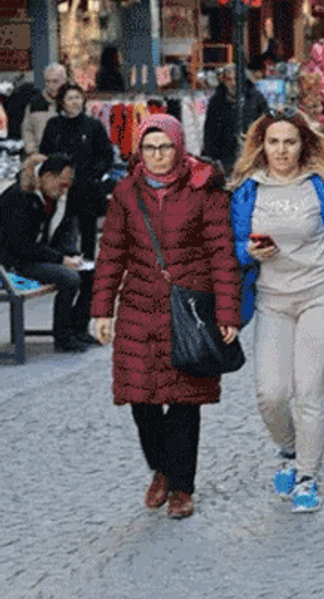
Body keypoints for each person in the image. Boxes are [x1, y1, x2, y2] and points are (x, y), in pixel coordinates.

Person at [89, 116, 242, 519]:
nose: (158, 156)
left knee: (184, 400)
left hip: (189, 311)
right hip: (139, 309)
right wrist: (101, 309)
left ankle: (181, 487)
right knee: (141, 399)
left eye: (165, 147)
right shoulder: (126, 194)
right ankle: (161, 467)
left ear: (179, 147)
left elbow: (222, 256)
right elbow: (111, 255)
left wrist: (228, 312)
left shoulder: (204, 191)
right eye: (150, 148)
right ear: (140, 151)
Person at [229, 109, 324, 514]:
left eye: (289, 142)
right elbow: (232, 246)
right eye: (273, 142)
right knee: (269, 393)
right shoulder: (246, 190)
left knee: (310, 389)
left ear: (303, 144)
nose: (281, 150)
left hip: (321, 293)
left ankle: (308, 476)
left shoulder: (323, 186)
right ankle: (290, 449)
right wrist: (248, 252)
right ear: (261, 145)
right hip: (272, 298)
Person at [0, 153, 94, 351]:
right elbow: (21, 245)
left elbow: (61, 234)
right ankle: (63, 337)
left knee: (91, 272)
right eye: (62, 185)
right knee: (69, 278)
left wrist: (72, 255)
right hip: (12, 263)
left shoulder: (51, 198)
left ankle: (78, 329)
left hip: (31, 256)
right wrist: (60, 259)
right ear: (48, 177)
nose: (64, 191)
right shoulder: (20, 197)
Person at [38, 84, 114, 259]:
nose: (75, 102)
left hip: (86, 188)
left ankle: (88, 268)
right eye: (70, 98)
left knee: (88, 232)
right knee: (56, 227)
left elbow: (106, 155)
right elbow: (45, 153)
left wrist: (94, 177)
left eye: (78, 97)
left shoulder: (93, 125)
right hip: (59, 189)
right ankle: (55, 262)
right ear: (62, 102)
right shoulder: (53, 125)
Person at [202, 65, 270, 170]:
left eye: (236, 80)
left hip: (251, 153)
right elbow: (210, 131)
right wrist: (211, 158)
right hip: (225, 155)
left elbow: (265, 123)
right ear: (224, 81)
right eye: (229, 79)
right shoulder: (216, 101)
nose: (233, 83)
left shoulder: (256, 98)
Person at [22, 63, 67, 156]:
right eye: (47, 81)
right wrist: (32, 151)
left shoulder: (73, 101)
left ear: (64, 81)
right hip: (40, 156)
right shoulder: (35, 103)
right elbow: (27, 129)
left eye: (55, 81)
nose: (50, 86)